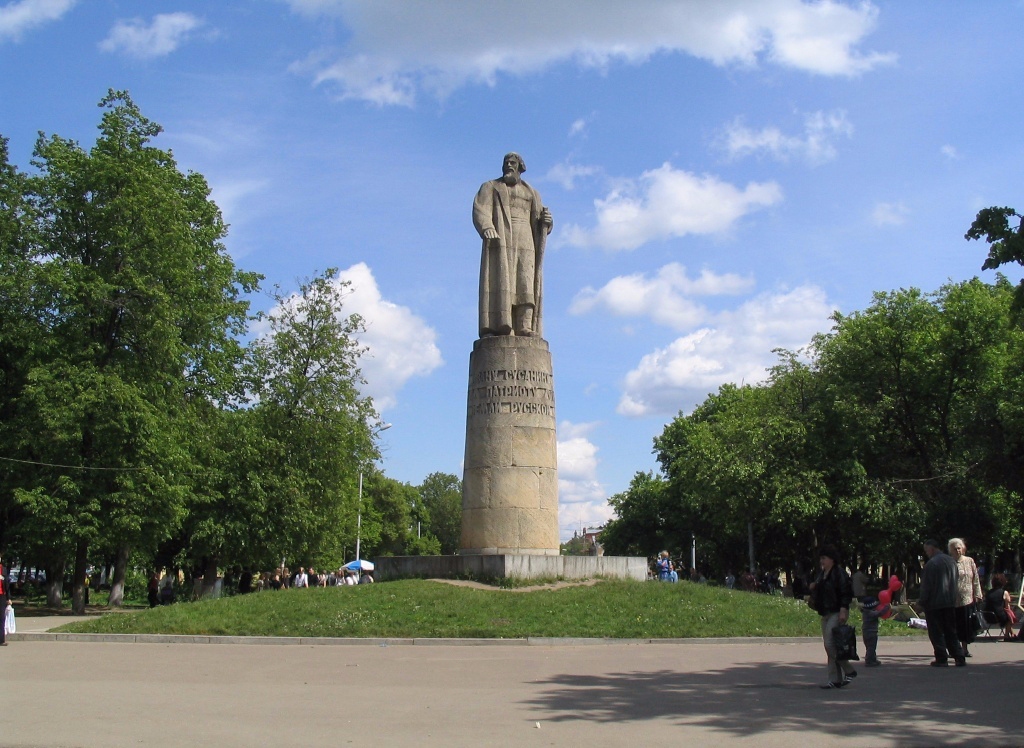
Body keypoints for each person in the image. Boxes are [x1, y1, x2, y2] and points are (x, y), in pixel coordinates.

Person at [473, 152, 553, 338]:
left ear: (520, 167)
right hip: (501, 238)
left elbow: (540, 220)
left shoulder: (531, 192)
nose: (509, 165)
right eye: (506, 163)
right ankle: (500, 326)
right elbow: (480, 209)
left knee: (525, 281)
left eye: (512, 163)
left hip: (526, 238)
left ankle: (524, 325)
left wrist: (546, 222)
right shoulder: (491, 187)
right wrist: (487, 227)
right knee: (501, 281)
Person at [809, 545, 856, 688]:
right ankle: (834, 680)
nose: (821, 561)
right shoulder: (822, 574)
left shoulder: (839, 573)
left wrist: (843, 609)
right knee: (830, 646)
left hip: (836, 611)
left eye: (824, 558)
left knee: (830, 644)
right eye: (820, 558)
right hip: (825, 612)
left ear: (832, 559)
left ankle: (849, 670)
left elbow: (845, 592)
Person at [919, 538, 965, 666]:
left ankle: (941, 658)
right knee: (951, 630)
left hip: (934, 604)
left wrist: (922, 602)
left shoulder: (931, 564)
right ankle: (959, 656)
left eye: (927, 550)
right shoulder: (951, 561)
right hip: (949, 602)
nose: (926, 553)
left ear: (932, 549)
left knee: (936, 632)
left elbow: (926, 586)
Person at [948, 538, 983, 657]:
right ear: (951, 550)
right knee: (954, 625)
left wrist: (978, 594)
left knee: (966, 624)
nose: (957, 550)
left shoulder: (969, 561)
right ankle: (954, 649)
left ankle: (965, 649)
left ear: (963, 548)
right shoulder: (949, 562)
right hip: (952, 599)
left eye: (959, 548)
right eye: (955, 548)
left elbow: (976, 579)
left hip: (967, 598)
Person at [985, 573, 1017, 640]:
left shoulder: (988, 592)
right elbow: (1007, 607)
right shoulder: (1004, 592)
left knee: (1007, 617)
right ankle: (1006, 635)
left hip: (987, 616)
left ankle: (1012, 633)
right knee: (1009, 617)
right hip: (999, 617)